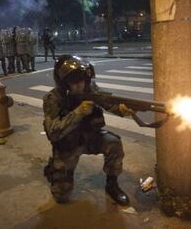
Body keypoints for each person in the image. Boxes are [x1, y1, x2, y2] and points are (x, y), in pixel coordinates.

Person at [42, 55, 135, 205]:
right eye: (75, 82)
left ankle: (112, 185)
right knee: (62, 196)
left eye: (83, 81)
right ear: (64, 84)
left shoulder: (89, 88)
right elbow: (53, 132)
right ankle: (55, 170)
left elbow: (106, 101)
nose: (81, 85)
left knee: (114, 143)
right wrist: (78, 113)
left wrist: (121, 109)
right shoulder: (53, 98)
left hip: (91, 137)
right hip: (68, 145)